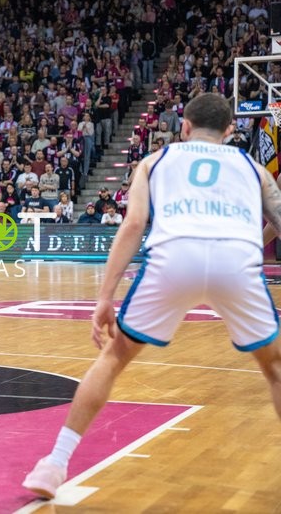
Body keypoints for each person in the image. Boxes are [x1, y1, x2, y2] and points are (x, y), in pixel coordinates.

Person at [23, 93, 281, 499]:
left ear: (185, 127)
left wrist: (105, 296)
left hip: (172, 258)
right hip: (236, 261)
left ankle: (54, 465)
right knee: (275, 367)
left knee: (113, 358)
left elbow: (133, 225)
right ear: (230, 130)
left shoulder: (155, 161)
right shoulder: (254, 168)